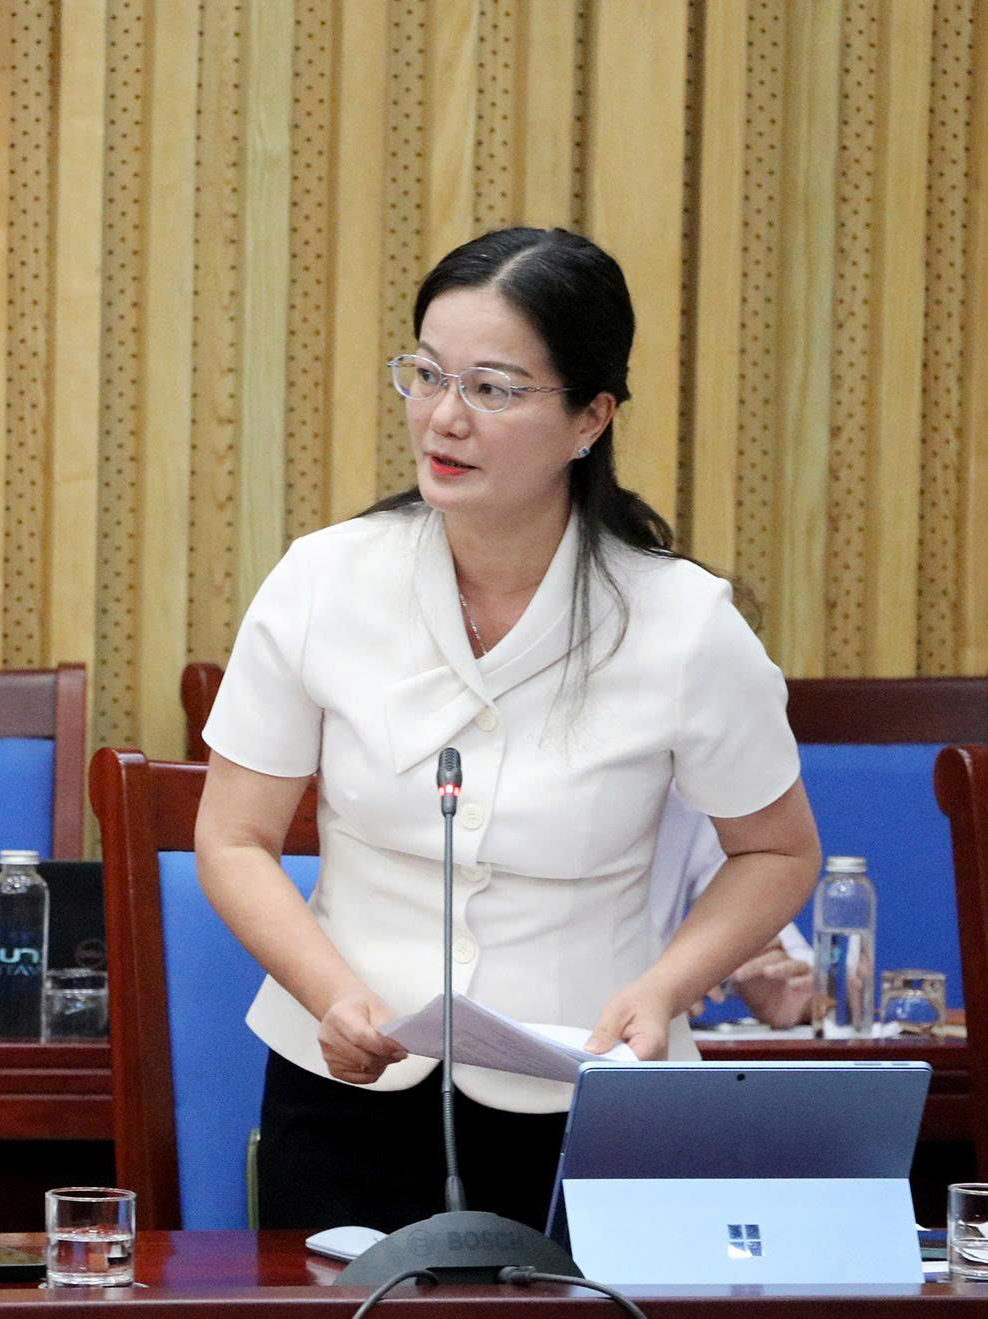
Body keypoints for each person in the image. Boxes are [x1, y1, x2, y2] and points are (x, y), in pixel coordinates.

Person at [194, 227, 822, 1233]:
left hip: (591, 1092)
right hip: (350, 1080)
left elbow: (777, 850)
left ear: (590, 417)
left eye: (491, 388)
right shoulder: (322, 579)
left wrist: (665, 987)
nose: (443, 416)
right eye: (426, 375)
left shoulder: (682, 622)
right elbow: (232, 835)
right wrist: (329, 993)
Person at [651, 790, 812, 1029]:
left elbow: (799, 980)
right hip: (621, 1027)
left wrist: (794, 989)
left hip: (643, 1041)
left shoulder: (682, 790)